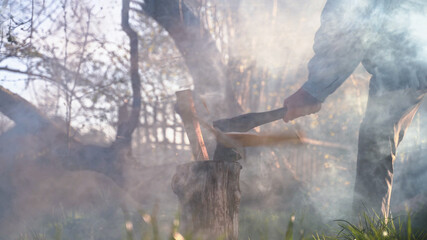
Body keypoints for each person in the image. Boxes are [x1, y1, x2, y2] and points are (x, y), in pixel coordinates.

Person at [283, 0, 427, 219]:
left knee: (376, 144)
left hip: (405, 60)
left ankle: (367, 230)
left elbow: (352, 26)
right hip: (413, 55)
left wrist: (313, 90)